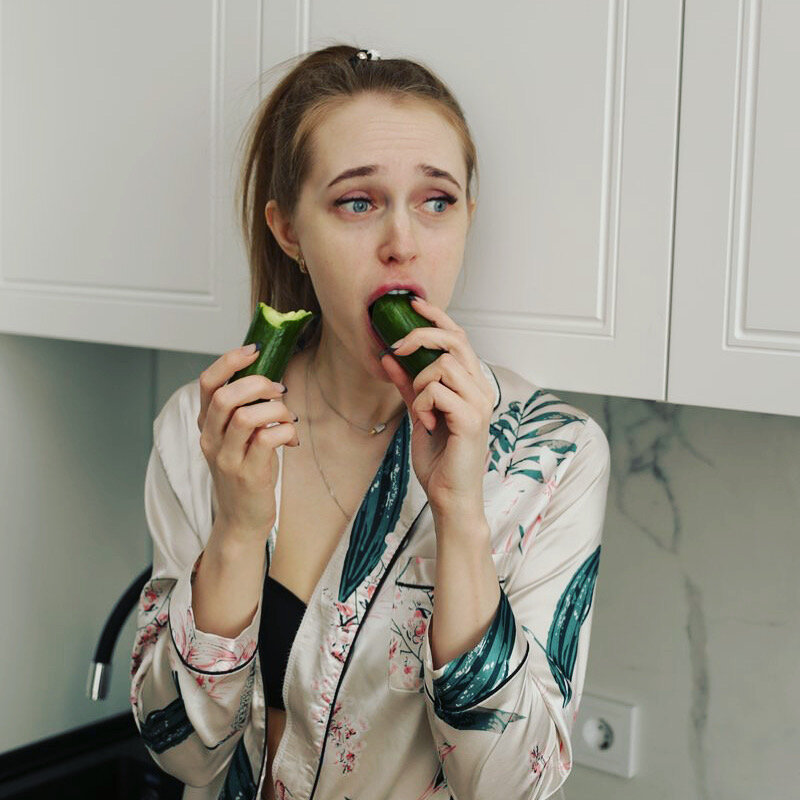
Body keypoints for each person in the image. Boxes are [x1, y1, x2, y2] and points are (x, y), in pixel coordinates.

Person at [129, 44, 611, 800]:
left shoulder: (552, 453)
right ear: (289, 230)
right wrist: (237, 529)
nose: (403, 244)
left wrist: (461, 516)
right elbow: (184, 756)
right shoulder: (207, 429)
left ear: (468, 217)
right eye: (358, 202)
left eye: (436, 201)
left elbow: (511, 787)